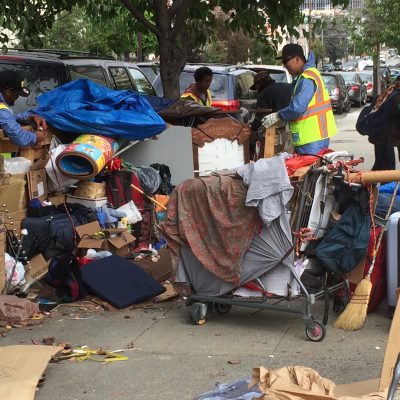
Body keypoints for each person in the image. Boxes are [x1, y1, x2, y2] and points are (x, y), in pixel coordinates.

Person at [261, 44, 337, 155]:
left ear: (297, 59)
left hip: (312, 140)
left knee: (309, 171)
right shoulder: (306, 76)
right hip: (313, 139)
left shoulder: (307, 78)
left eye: (286, 61)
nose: (284, 66)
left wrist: (278, 116)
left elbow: (297, 108)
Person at [0, 70, 47, 147]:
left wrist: (29, 117)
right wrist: (37, 137)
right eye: (17, 94)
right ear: (8, 92)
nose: (18, 97)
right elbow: (20, 138)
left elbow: (8, 118)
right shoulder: (1, 110)